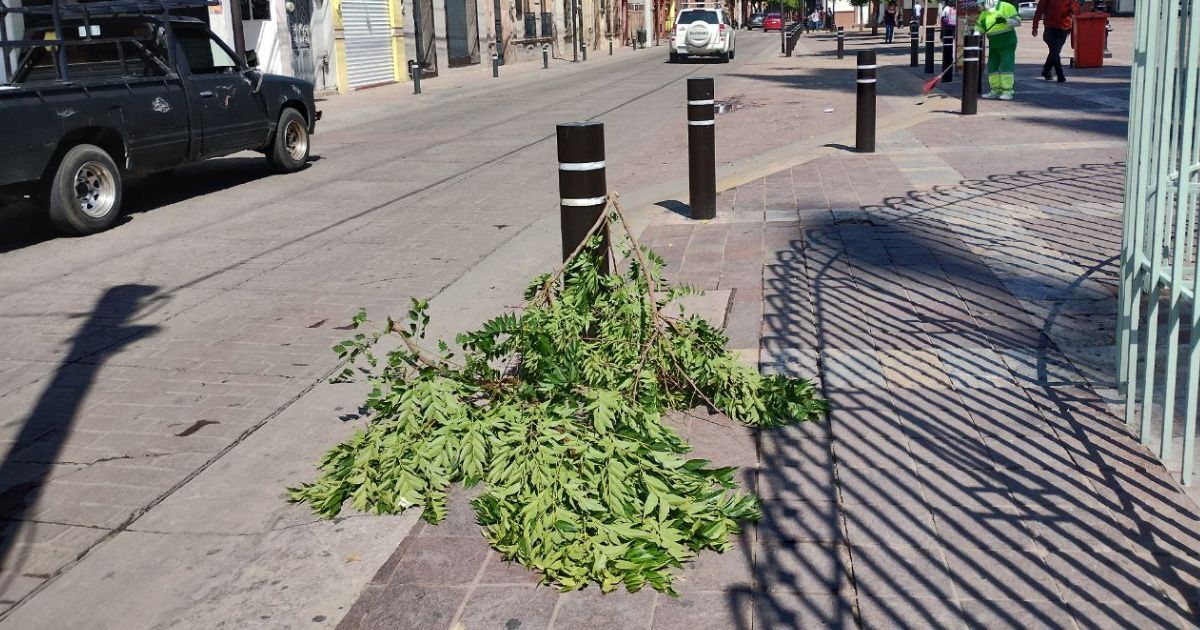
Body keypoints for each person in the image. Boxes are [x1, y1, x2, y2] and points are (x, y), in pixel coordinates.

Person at [974, 0, 1021, 100]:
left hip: (1007, 41)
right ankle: (995, 90)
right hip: (994, 43)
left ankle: (1008, 91)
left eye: (981, 3)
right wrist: (975, 35)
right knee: (992, 67)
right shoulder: (984, 13)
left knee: (1006, 66)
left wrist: (1005, 21)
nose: (979, 6)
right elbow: (980, 26)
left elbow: (1017, 21)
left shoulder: (1007, 7)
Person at [1032, 0, 1078, 82]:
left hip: (1064, 29)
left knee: (1054, 53)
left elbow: (1076, 10)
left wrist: (1072, 8)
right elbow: (1039, 11)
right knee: (1055, 53)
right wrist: (1035, 27)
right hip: (1051, 29)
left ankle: (1046, 71)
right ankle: (1060, 75)